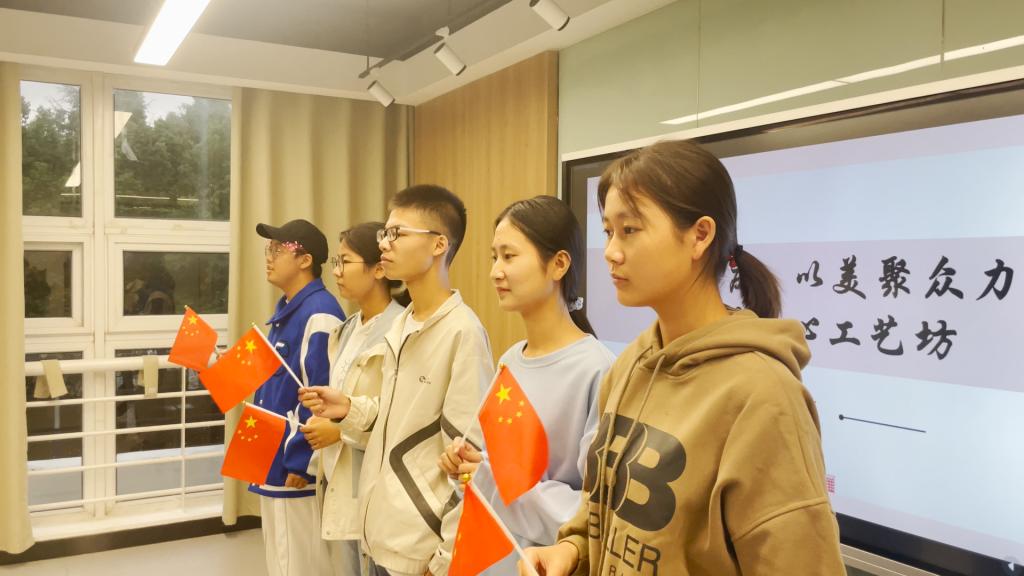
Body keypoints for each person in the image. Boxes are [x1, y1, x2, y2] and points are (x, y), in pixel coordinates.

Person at [520, 140, 846, 575]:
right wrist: (573, 549)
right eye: (608, 232)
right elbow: (606, 511)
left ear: (700, 235)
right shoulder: (631, 364)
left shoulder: (764, 396)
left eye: (630, 230)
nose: (611, 251)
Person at [301, 185, 493, 576]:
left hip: (422, 548)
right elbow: (398, 419)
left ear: (439, 244)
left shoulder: (463, 333)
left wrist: (446, 560)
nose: (385, 244)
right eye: (384, 234)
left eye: (397, 234)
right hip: (380, 533)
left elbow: (469, 460)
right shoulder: (402, 324)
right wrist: (349, 408)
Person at [438, 196, 615, 575]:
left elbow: (593, 509)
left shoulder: (596, 369)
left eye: (509, 256)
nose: (495, 272)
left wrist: (491, 477)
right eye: (494, 257)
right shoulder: (510, 360)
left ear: (559, 264)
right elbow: (492, 468)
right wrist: (465, 466)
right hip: (494, 559)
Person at [300, 222, 408, 575]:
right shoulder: (347, 328)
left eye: (345, 261)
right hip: (338, 474)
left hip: (373, 481)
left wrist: (339, 430)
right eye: (336, 261)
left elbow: (399, 413)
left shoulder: (399, 330)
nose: (336, 271)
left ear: (379, 269)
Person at [252, 218, 344, 576]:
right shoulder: (287, 311)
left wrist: (303, 463)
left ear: (305, 260)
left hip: (294, 466)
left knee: (298, 563)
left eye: (279, 249)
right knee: (280, 559)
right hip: (272, 454)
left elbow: (321, 394)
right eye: (269, 248)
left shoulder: (319, 314)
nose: (269, 256)